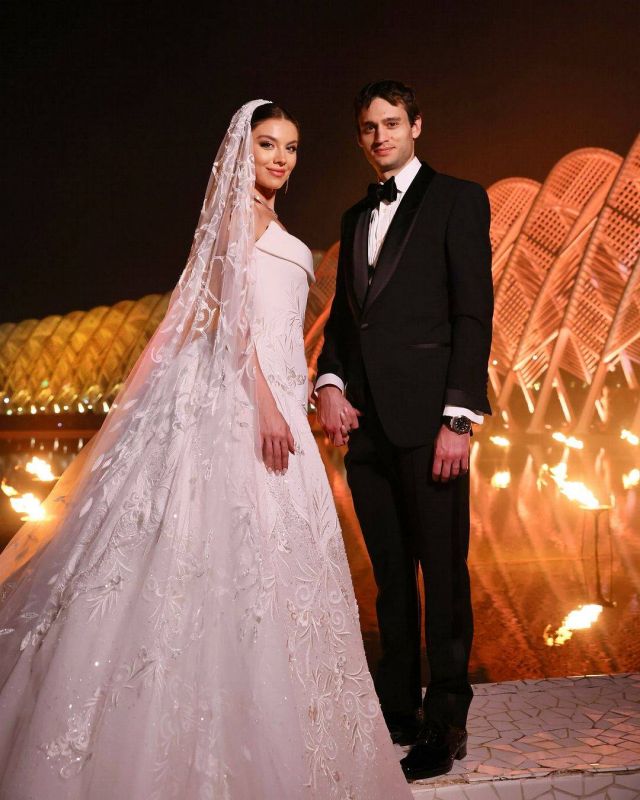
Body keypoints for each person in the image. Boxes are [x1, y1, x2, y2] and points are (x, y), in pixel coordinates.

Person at [0, 100, 411, 800]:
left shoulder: (272, 222)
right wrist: (267, 407)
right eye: (267, 144)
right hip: (248, 406)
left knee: (282, 567)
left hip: (282, 401)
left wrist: (313, 391)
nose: (280, 158)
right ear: (241, 152)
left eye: (291, 147)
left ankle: (291, 722)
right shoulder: (233, 224)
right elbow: (233, 325)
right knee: (227, 563)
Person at [315, 80, 493, 781]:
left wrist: (458, 418)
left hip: (430, 425)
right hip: (367, 431)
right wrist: (330, 383)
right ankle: (398, 709)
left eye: (392, 123)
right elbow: (345, 322)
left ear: (417, 125)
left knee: (443, 575)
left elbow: (472, 314)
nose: (380, 136)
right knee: (390, 579)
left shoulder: (458, 199)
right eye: (369, 127)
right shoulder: (354, 214)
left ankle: (446, 723)